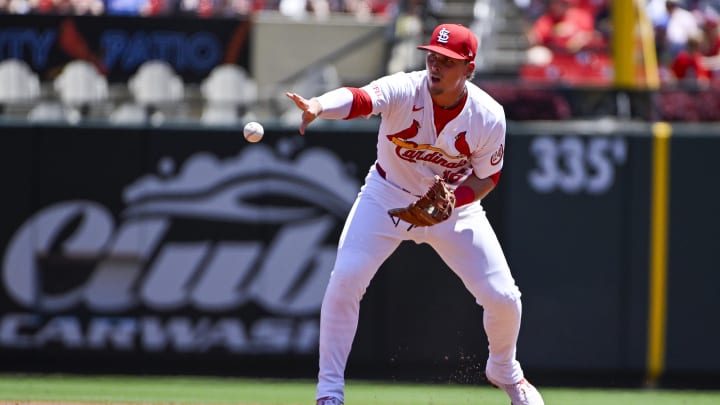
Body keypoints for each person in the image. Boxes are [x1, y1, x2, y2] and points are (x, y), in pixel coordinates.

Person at [285, 23, 544, 405]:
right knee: (346, 278)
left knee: (505, 298)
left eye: (448, 61)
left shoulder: (488, 115)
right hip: (386, 196)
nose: (435, 66)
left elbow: (489, 176)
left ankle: (505, 369)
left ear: (469, 69)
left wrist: (455, 199)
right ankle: (329, 393)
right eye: (432, 57)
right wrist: (320, 105)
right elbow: (359, 99)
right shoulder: (406, 88)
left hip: (453, 209)